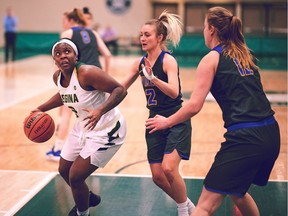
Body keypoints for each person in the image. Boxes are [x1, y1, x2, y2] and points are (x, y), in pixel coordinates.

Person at [145, 6, 281, 216]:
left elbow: (193, 106)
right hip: (271, 134)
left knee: (205, 207)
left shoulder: (211, 59)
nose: (203, 31)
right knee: (238, 193)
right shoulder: (246, 55)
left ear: (212, 30)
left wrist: (167, 122)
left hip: (245, 138)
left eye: (204, 26)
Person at [32, 38, 127, 216]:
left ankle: (82, 213)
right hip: (83, 126)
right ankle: (87, 197)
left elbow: (120, 90)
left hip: (107, 129)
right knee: (64, 170)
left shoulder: (87, 72)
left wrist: (100, 110)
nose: (62, 56)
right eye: (58, 54)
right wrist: (41, 109)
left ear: (76, 56)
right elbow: (65, 95)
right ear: (54, 60)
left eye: (67, 51)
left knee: (75, 176)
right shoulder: (57, 77)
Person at [121, 10, 195, 216]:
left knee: (169, 169)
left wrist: (153, 78)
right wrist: (99, 96)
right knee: (158, 176)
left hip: (175, 118)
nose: (142, 38)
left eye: (147, 35)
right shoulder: (140, 63)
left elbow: (174, 92)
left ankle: (183, 210)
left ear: (159, 38)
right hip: (154, 120)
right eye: (141, 35)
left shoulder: (168, 60)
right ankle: (187, 203)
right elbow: (121, 87)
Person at [46, 8, 112, 162]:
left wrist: (58, 79)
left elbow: (59, 58)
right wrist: (106, 75)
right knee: (92, 115)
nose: (64, 25)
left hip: (78, 77)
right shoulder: (93, 32)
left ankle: (58, 149)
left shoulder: (68, 33)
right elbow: (107, 54)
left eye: (64, 22)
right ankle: (90, 150)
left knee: (67, 114)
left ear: (70, 21)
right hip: (97, 76)